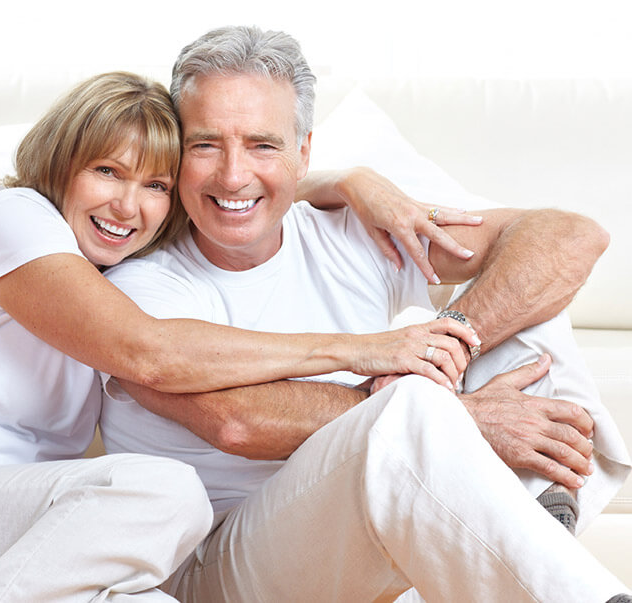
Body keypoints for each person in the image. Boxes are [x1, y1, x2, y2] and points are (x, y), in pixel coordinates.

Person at [98, 26, 632, 602]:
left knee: (527, 305)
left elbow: (570, 236)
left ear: (304, 151)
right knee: (407, 406)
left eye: (262, 145)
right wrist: (457, 419)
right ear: (176, 154)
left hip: (365, 524)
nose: (233, 175)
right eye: (205, 144)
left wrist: (457, 337)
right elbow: (238, 421)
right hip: (216, 562)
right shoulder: (136, 287)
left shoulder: (351, 234)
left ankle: (539, 522)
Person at [0, 70, 486, 601]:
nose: (128, 206)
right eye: (106, 171)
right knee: (169, 494)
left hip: (42, 528)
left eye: (155, 184)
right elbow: (146, 352)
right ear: (61, 164)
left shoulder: (113, 262)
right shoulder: (12, 218)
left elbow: (230, 195)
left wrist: (341, 180)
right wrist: (358, 350)